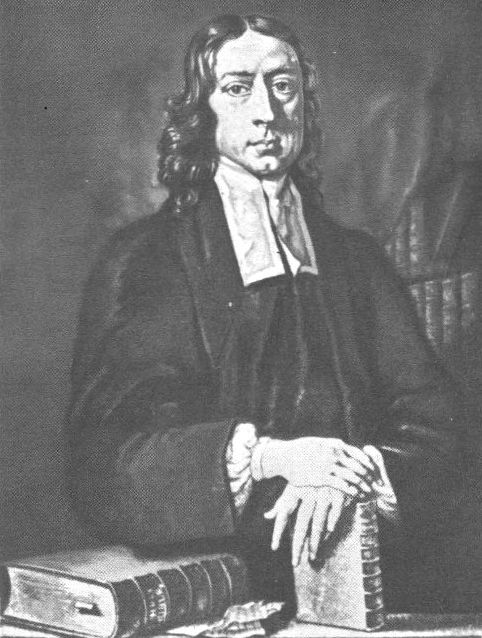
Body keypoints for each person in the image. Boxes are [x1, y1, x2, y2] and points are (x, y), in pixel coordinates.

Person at [66, 14, 463, 611]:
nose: (267, 113)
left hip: (370, 589)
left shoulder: (358, 262)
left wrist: (354, 473)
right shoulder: (145, 260)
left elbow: (443, 429)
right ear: (202, 111)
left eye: (283, 86)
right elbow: (105, 466)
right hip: (219, 594)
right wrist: (275, 458)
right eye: (237, 88)